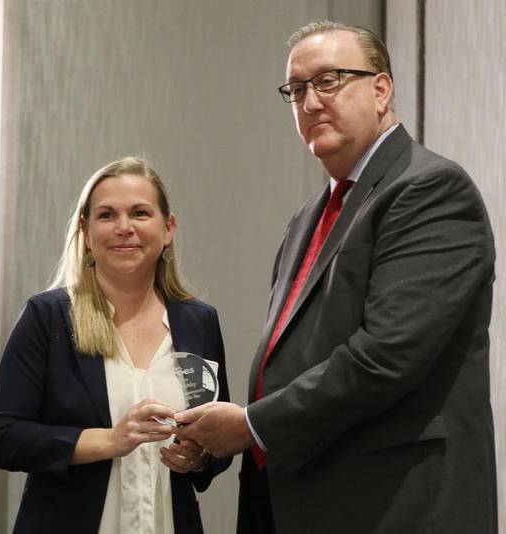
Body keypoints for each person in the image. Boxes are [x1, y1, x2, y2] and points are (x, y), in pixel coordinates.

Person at [175, 20, 498, 534]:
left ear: (381, 89)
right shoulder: (308, 217)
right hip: (296, 494)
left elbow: (386, 357)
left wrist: (252, 426)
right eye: (297, 89)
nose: (309, 102)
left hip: (395, 503)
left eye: (329, 81)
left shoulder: (430, 189)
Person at [0, 157, 231, 534]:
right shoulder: (47, 317)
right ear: (85, 230)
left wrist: (197, 457)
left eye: (140, 213)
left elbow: (218, 440)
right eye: (106, 215)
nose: (124, 228)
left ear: (168, 228)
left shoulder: (199, 321)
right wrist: (110, 441)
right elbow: (6, 439)